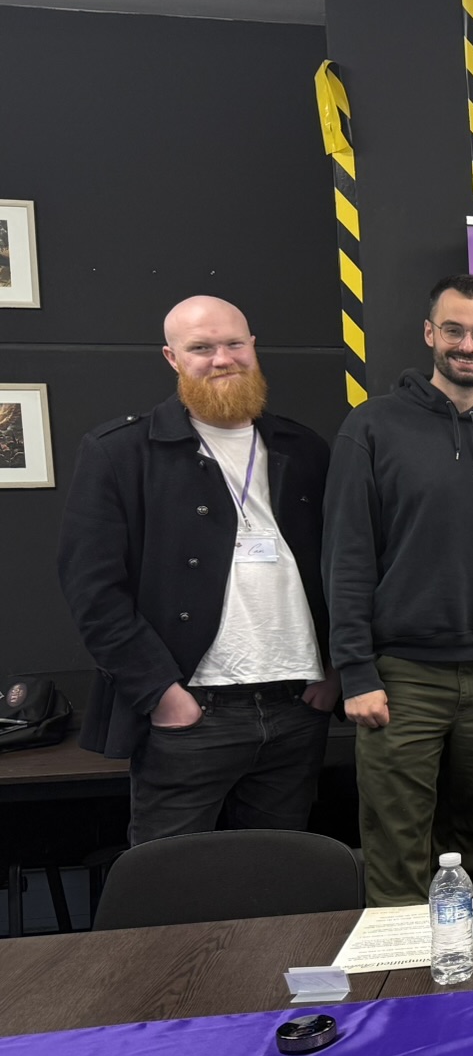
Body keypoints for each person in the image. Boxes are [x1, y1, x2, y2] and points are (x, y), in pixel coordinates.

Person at [59, 296, 338, 844]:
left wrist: (335, 670)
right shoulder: (123, 452)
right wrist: (161, 693)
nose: (222, 359)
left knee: (282, 877)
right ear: (172, 357)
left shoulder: (304, 447)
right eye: (201, 348)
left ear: (253, 346)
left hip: (296, 708)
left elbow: (342, 567)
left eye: (234, 344)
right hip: (192, 713)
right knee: (170, 881)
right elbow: (92, 590)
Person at [324, 274, 473, 905]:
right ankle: (400, 968)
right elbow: (345, 557)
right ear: (429, 333)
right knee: (398, 853)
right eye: (454, 330)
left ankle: (467, 962)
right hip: (402, 679)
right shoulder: (371, 427)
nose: (467, 345)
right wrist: (356, 672)